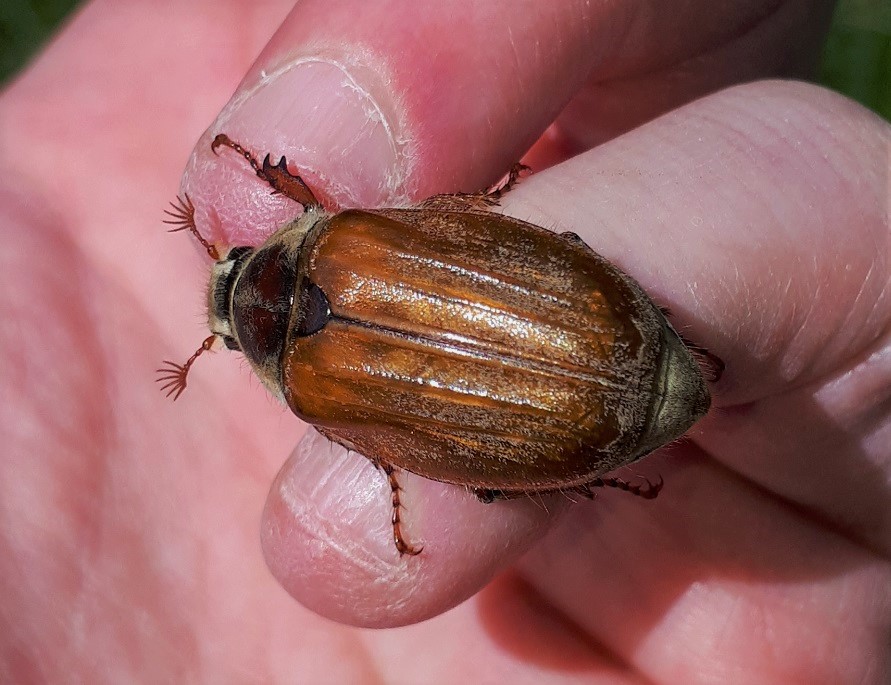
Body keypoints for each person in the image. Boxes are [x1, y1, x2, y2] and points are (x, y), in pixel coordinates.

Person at [1, 1, 887, 682]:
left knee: (479, 478)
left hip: (584, 393)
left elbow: (405, 445)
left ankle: (599, 468)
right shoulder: (335, 238)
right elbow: (455, 225)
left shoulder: (319, 394)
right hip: (594, 330)